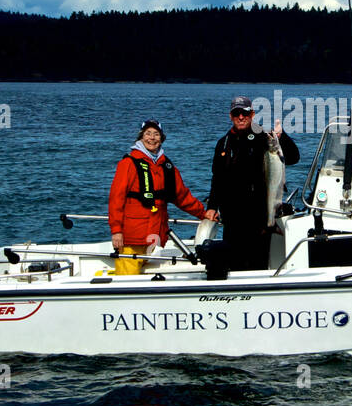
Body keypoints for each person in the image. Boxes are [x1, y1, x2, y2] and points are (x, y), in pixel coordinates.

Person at [108, 120, 215, 275]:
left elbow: (182, 196)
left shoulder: (167, 166)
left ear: (162, 138)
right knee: (126, 280)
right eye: (148, 134)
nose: (152, 138)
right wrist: (116, 230)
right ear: (141, 137)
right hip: (132, 238)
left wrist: (203, 213)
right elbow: (116, 199)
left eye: (156, 134)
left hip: (155, 238)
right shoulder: (128, 164)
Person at [207, 96, 300, 271]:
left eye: (245, 113)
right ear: (230, 116)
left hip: (260, 216)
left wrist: (282, 137)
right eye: (236, 113)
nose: (241, 117)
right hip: (232, 217)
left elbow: (294, 157)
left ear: (252, 114)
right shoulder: (224, 143)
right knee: (234, 265)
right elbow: (217, 178)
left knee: (257, 265)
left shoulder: (265, 137)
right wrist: (212, 206)